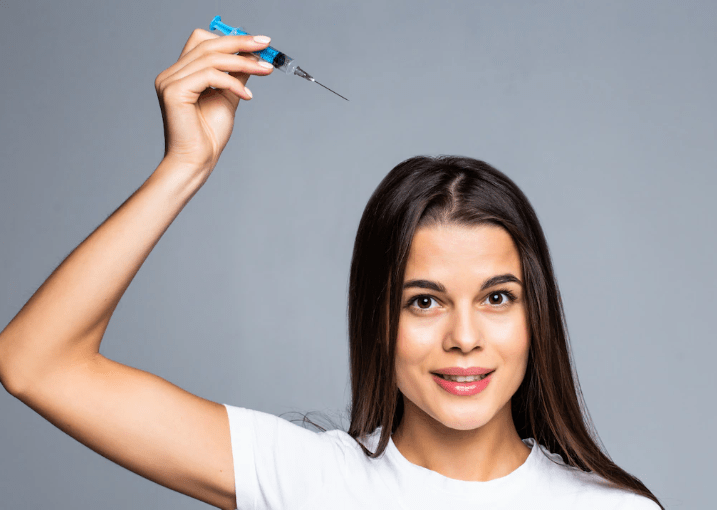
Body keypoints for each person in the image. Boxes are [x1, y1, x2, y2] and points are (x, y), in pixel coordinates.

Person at [0, 29, 664, 510]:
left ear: (534, 315)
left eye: (495, 297)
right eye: (424, 302)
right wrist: (184, 168)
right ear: (377, 316)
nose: (464, 336)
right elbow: (35, 363)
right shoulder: (307, 479)